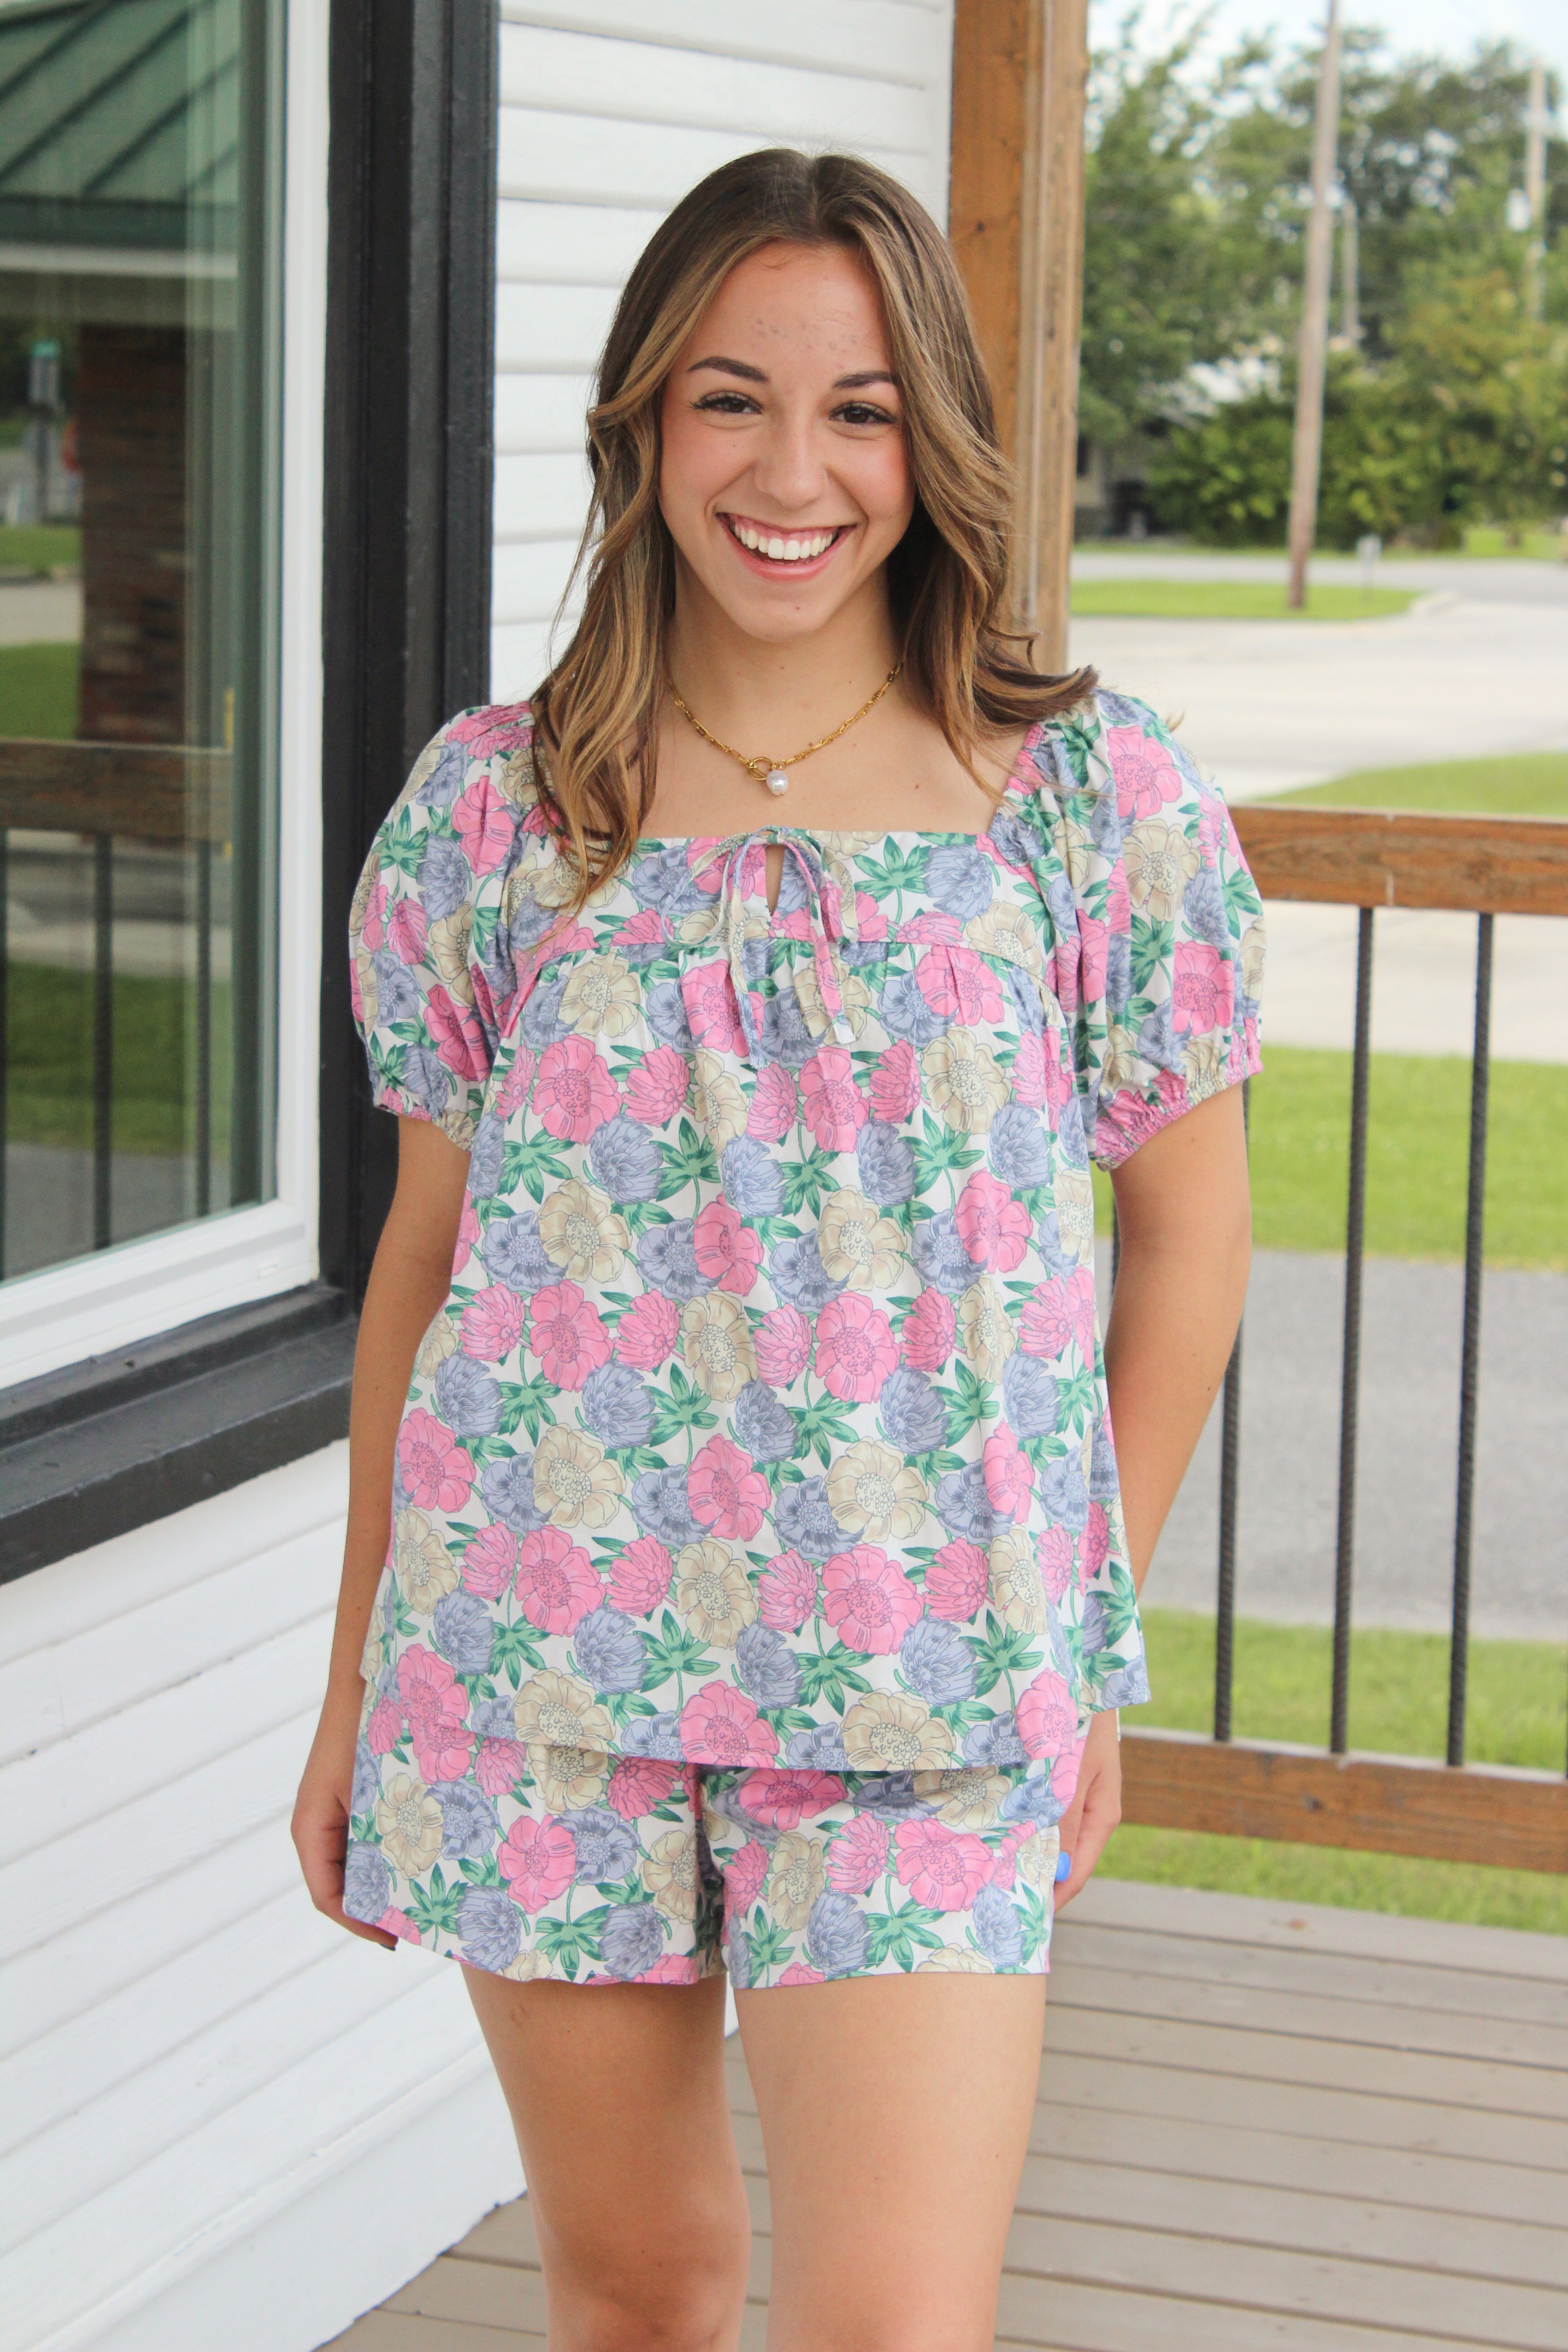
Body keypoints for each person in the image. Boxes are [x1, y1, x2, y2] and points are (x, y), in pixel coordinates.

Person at [294, 147, 1262, 2352]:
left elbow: (1192, 1241)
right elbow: (428, 1276)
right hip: (534, 1666)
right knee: (638, 2294)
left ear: (935, 442)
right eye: (731, 399)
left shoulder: (1085, 800)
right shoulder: (496, 812)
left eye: (861, 410)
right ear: (645, 419)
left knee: (889, 2324)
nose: (792, 472)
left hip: (933, 1683)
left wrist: (1075, 1642)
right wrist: (356, 1679)